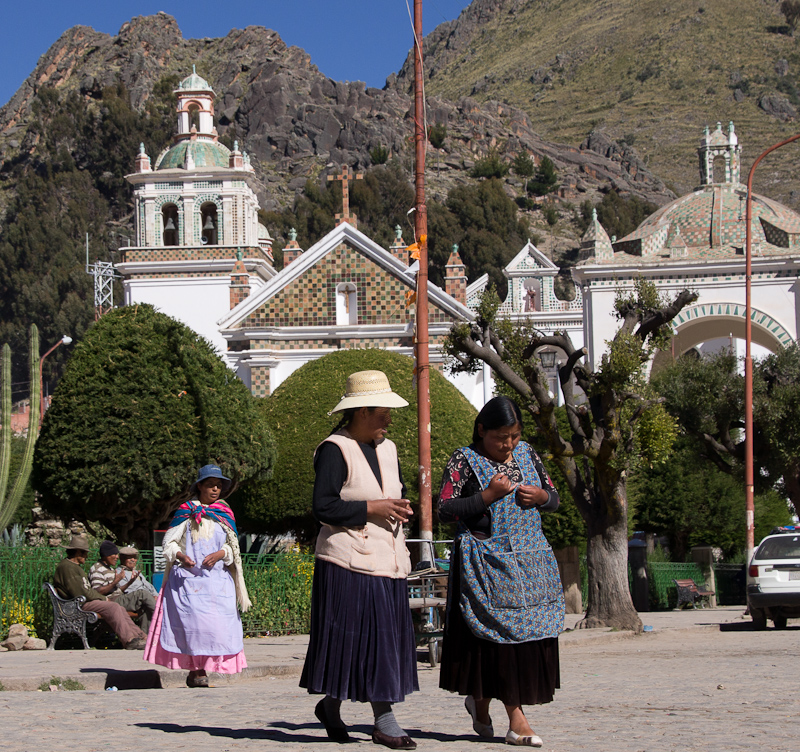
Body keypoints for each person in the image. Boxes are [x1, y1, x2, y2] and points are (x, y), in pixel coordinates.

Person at [300, 370, 419, 750]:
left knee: (376, 641)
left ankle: (330, 707)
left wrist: (398, 507)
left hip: (389, 560)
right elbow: (324, 506)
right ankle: (384, 720)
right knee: (360, 640)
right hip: (347, 560)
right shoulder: (335, 448)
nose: (388, 416)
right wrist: (373, 507)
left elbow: (389, 493)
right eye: (382, 409)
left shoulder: (390, 448)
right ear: (361, 411)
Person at [437, 396, 564, 748]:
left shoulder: (527, 454)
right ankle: (516, 719)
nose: (508, 444)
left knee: (524, 640)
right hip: (487, 568)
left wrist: (540, 497)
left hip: (530, 566)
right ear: (482, 430)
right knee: (496, 641)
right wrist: (487, 496)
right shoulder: (465, 460)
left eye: (514, 436)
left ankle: (479, 702)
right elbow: (445, 508)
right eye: (500, 437)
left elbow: (555, 498)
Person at [144, 464, 251, 688]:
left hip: (216, 583)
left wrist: (221, 553)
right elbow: (169, 543)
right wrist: (181, 556)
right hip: (188, 582)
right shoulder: (185, 512)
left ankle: (204, 669)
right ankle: (197, 670)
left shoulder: (224, 513)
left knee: (216, 627)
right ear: (199, 486)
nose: (215, 489)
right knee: (193, 626)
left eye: (219, 486)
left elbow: (234, 549)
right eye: (210, 485)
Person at [53, 535, 147, 650]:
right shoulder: (68, 568)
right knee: (113, 607)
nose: (87, 556)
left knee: (118, 607)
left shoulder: (73, 567)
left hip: (83, 601)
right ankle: (129, 640)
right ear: (78, 552)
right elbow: (81, 592)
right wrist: (103, 599)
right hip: (78, 604)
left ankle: (140, 637)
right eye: (85, 553)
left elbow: (84, 590)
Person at [89, 541, 156, 634]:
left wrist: (129, 582)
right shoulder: (98, 569)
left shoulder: (111, 569)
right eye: (114, 554)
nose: (116, 557)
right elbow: (97, 592)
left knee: (145, 605)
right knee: (142, 594)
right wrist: (115, 582)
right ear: (106, 555)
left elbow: (118, 590)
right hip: (109, 602)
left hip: (118, 598)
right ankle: (163, 616)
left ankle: (145, 637)